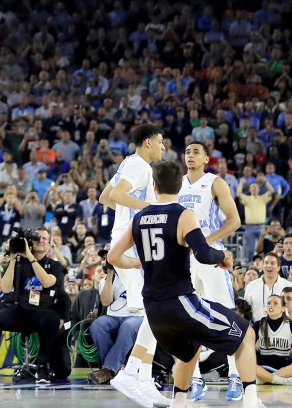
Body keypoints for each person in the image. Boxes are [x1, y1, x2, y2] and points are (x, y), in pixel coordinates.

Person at [108, 160, 263, 408]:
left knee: (188, 352)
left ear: (155, 186)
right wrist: (224, 257)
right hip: (180, 302)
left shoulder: (139, 218)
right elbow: (202, 253)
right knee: (246, 333)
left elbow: (113, 257)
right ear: (181, 186)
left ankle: (177, 404)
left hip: (154, 309)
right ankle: (252, 402)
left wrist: (140, 263)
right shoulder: (182, 213)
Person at [97, 123, 168, 407]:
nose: (163, 147)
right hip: (131, 243)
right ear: (148, 142)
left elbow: (105, 197)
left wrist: (130, 212)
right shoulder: (139, 165)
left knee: (154, 312)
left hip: (128, 239)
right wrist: (149, 211)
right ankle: (132, 374)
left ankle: (143, 378)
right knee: (155, 310)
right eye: (160, 142)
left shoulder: (128, 163)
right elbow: (114, 197)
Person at [178, 141, 244, 401]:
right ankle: (195, 380)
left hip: (211, 254)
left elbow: (235, 220)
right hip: (184, 258)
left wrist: (205, 242)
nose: (190, 155)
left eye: (196, 152)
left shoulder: (215, 182)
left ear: (206, 158)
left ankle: (236, 376)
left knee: (225, 314)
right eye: (187, 152)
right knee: (188, 318)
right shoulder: (177, 183)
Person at [0, 227, 64, 384]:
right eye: (37, 238)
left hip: (41, 312)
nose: (41, 240)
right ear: (30, 242)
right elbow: (5, 288)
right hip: (18, 311)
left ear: (49, 244)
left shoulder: (55, 266)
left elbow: (46, 282)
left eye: (45, 238)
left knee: (53, 318)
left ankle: (42, 366)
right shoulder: (19, 263)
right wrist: (12, 259)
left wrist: (31, 257)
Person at [89, 262, 143, 385]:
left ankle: (108, 369)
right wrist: (110, 274)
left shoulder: (140, 275)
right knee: (98, 325)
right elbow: (106, 302)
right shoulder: (107, 280)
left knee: (128, 327)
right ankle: (114, 370)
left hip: (137, 315)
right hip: (113, 316)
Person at [243, 253, 292, 321]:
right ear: (262, 266)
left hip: (283, 328)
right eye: (266, 263)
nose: (269, 266)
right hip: (257, 328)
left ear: (279, 267)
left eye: (272, 263)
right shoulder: (251, 285)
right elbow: (245, 311)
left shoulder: (289, 286)